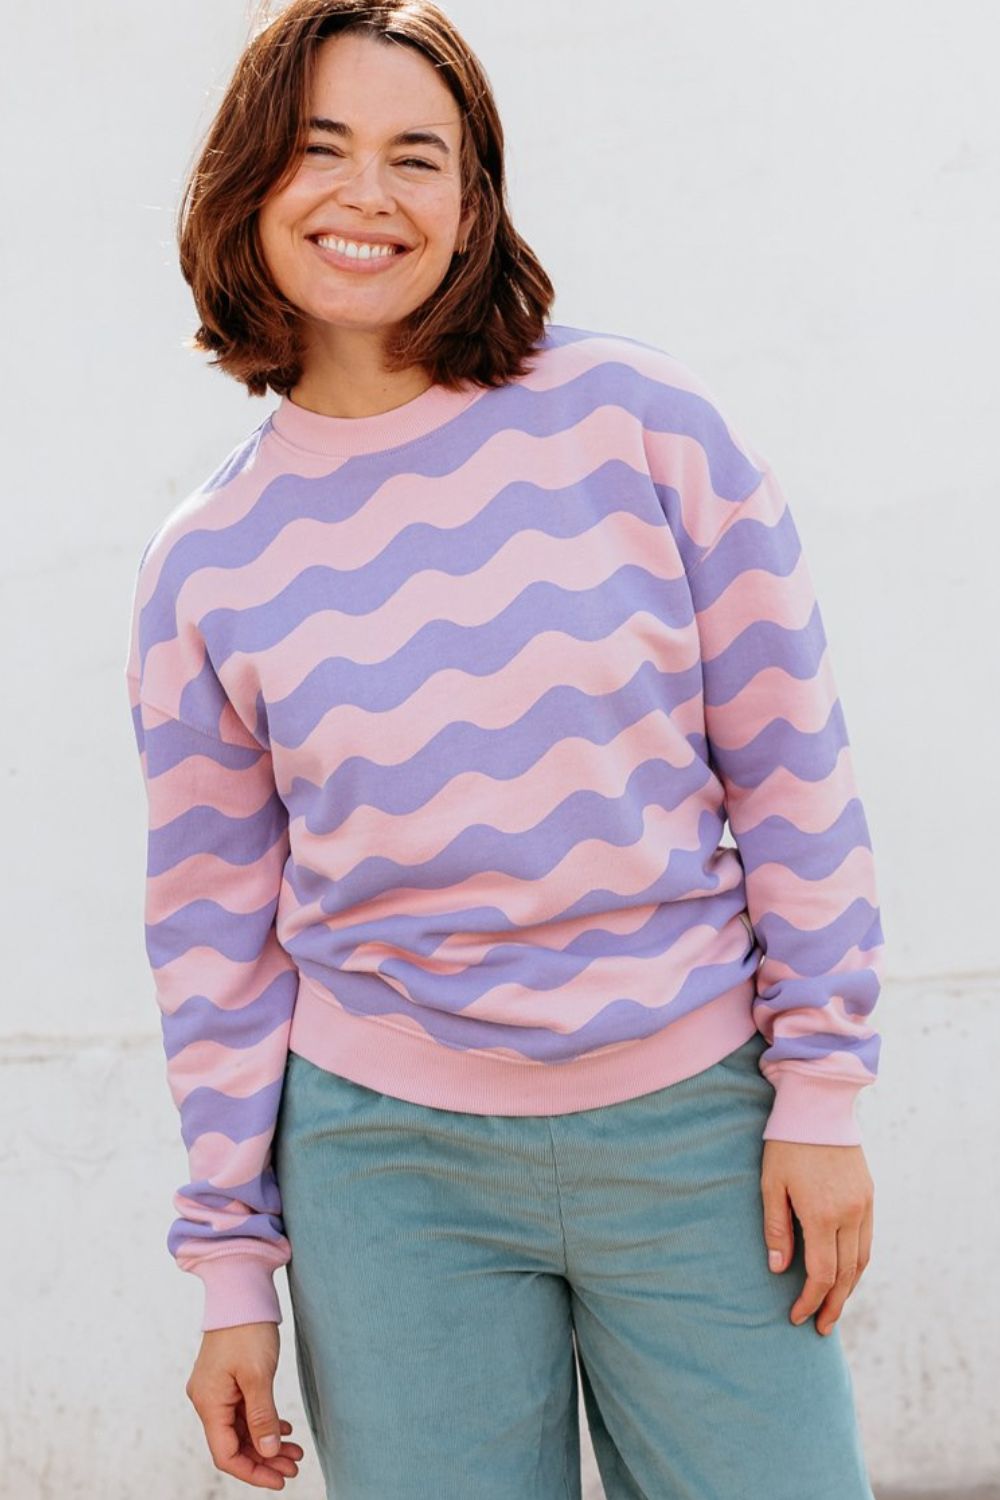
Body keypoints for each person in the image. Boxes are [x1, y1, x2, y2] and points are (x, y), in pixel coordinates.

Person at [124, 2, 884, 1495]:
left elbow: (793, 778)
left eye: (421, 156)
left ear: (473, 203)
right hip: (385, 1170)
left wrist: (825, 1097)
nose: (369, 195)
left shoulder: (647, 426)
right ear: (246, 186)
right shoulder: (205, 562)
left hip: (699, 1131)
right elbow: (212, 942)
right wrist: (230, 1271)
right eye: (320, 149)